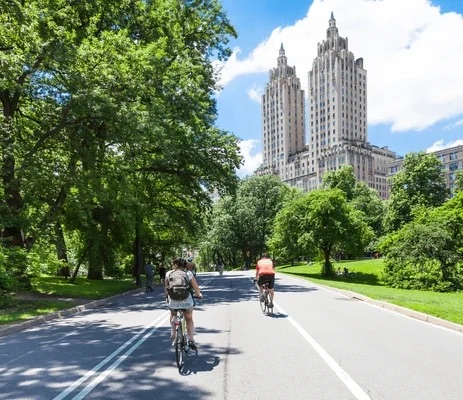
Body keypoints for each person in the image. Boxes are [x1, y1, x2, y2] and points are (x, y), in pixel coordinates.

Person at [165, 257, 202, 350]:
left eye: (172, 264)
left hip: (173, 301)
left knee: (173, 314)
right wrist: (199, 294)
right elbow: (196, 288)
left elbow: (166, 289)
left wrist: (166, 298)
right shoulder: (188, 273)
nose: (172, 266)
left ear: (175, 265)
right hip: (186, 301)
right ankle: (191, 339)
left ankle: (173, 334)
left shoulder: (168, 273)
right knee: (189, 318)